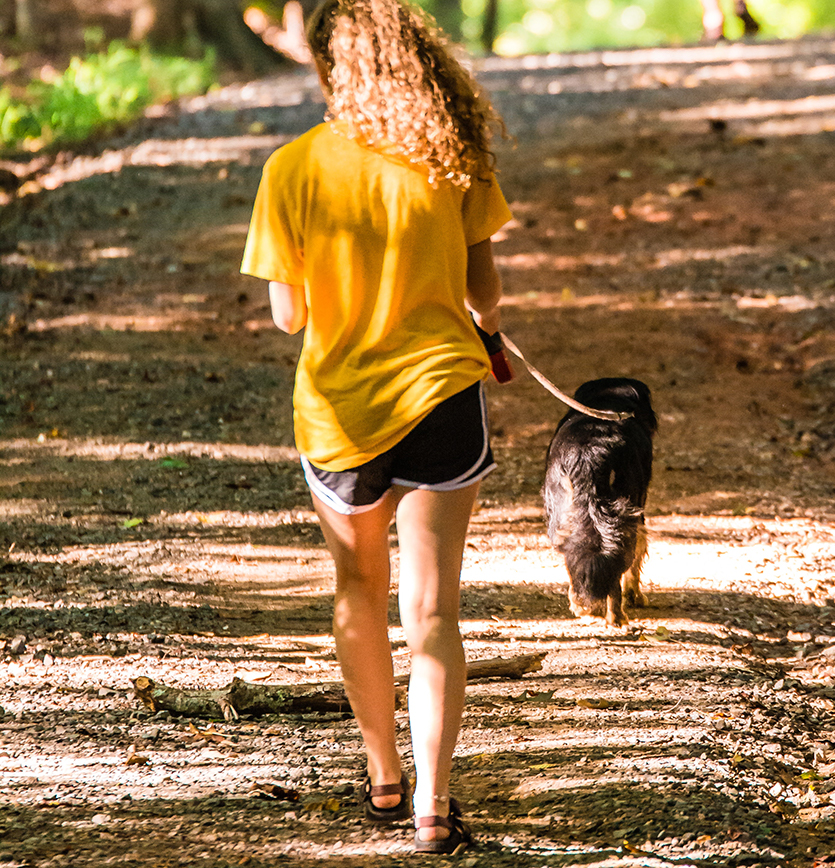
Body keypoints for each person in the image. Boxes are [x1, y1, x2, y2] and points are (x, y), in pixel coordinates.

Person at [240, 0, 511, 854]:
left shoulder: (292, 167)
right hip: (440, 399)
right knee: (433, 610)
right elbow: (488, 299)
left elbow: (289, 316)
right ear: (415, 62)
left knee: (357, 591)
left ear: (327, 68)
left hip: (340, 411)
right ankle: (436, 802)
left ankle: (385, 779)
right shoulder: (449, 157)